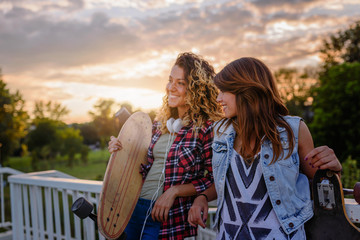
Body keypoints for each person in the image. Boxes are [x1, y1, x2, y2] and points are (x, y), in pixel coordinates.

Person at [188, 57, 342, 239]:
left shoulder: (293, 130)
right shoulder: (221, 132)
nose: (218, 98)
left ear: (246, 90)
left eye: (224, 91)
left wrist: (334, 169)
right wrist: (203, 197)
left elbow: (323, 185)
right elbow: (224, 182)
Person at [108, 52, 223, 239]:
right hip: (132, 207)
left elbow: (215, 180)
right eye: (170, 81)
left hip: (168, 216)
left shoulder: (208, 128)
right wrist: (120, 149)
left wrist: (174, 191)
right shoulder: (159, 124)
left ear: (197, 89)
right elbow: (142, 165)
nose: (171, 87)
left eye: (181, 83)